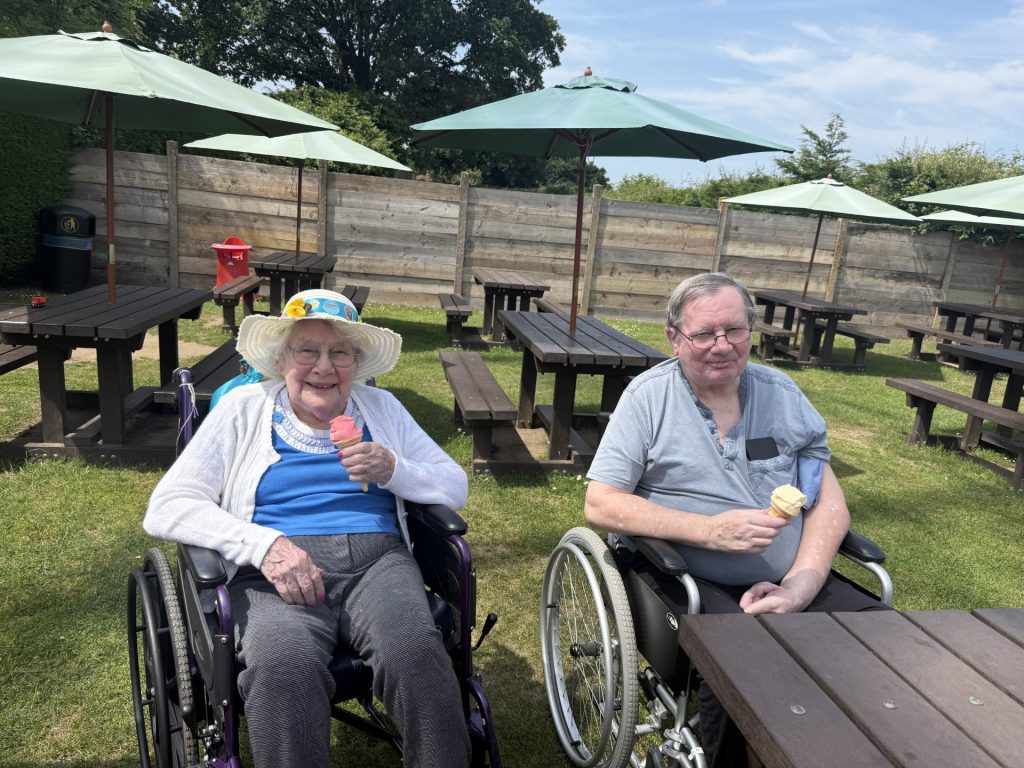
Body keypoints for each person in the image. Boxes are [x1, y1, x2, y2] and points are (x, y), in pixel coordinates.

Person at [144, 289, 471, 768]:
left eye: (339, 353)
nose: (324, 367)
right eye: (307, 351)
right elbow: (168, 505)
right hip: (272, 572)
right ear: (282, 359)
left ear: (355, 363)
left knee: (416, 654)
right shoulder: (244, 410)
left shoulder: (381, 409)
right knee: (283, 669)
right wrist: (264, 545)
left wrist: (393, 468)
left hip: (378, 563)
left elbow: (453, 485)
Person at [584, 272, 885, 768]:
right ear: (674, 337)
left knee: (883, 639)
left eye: (735, 330)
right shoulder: (647, 399)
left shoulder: (782, 395)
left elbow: (827, 502)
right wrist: (710, 530)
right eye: (703, 334)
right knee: (742, 662)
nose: (721, 346)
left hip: (791, 577)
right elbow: (601, 502)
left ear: (751, 330)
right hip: (687, 574)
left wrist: (800, 586)